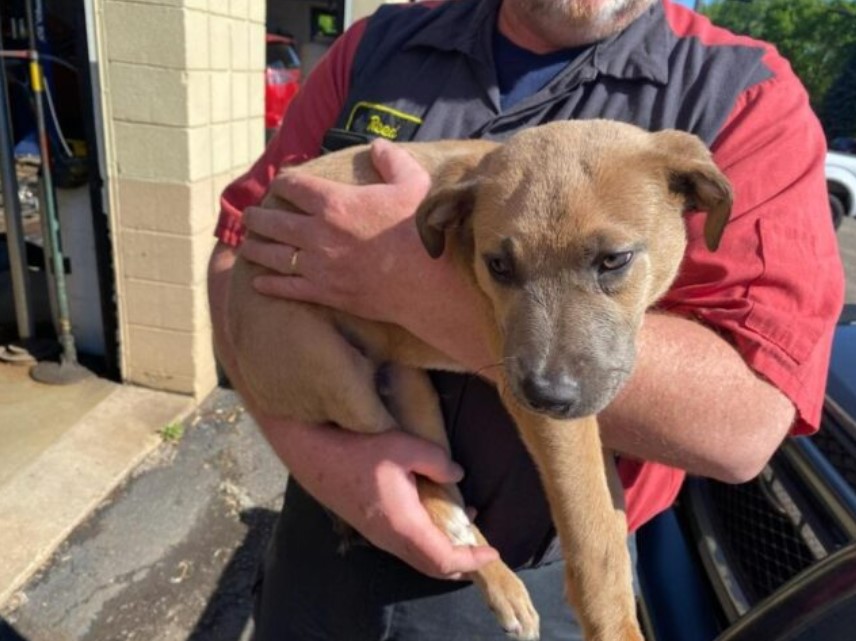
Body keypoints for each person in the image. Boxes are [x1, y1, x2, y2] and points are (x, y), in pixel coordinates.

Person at [207, 0, 845, 638]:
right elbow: (240, 252)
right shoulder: (378, 42)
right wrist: (330, 461)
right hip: (323, 545)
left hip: (535, 576)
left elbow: (746, 428)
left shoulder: (741, 93)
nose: (548, 370)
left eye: (612, 262)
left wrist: (407, 283)